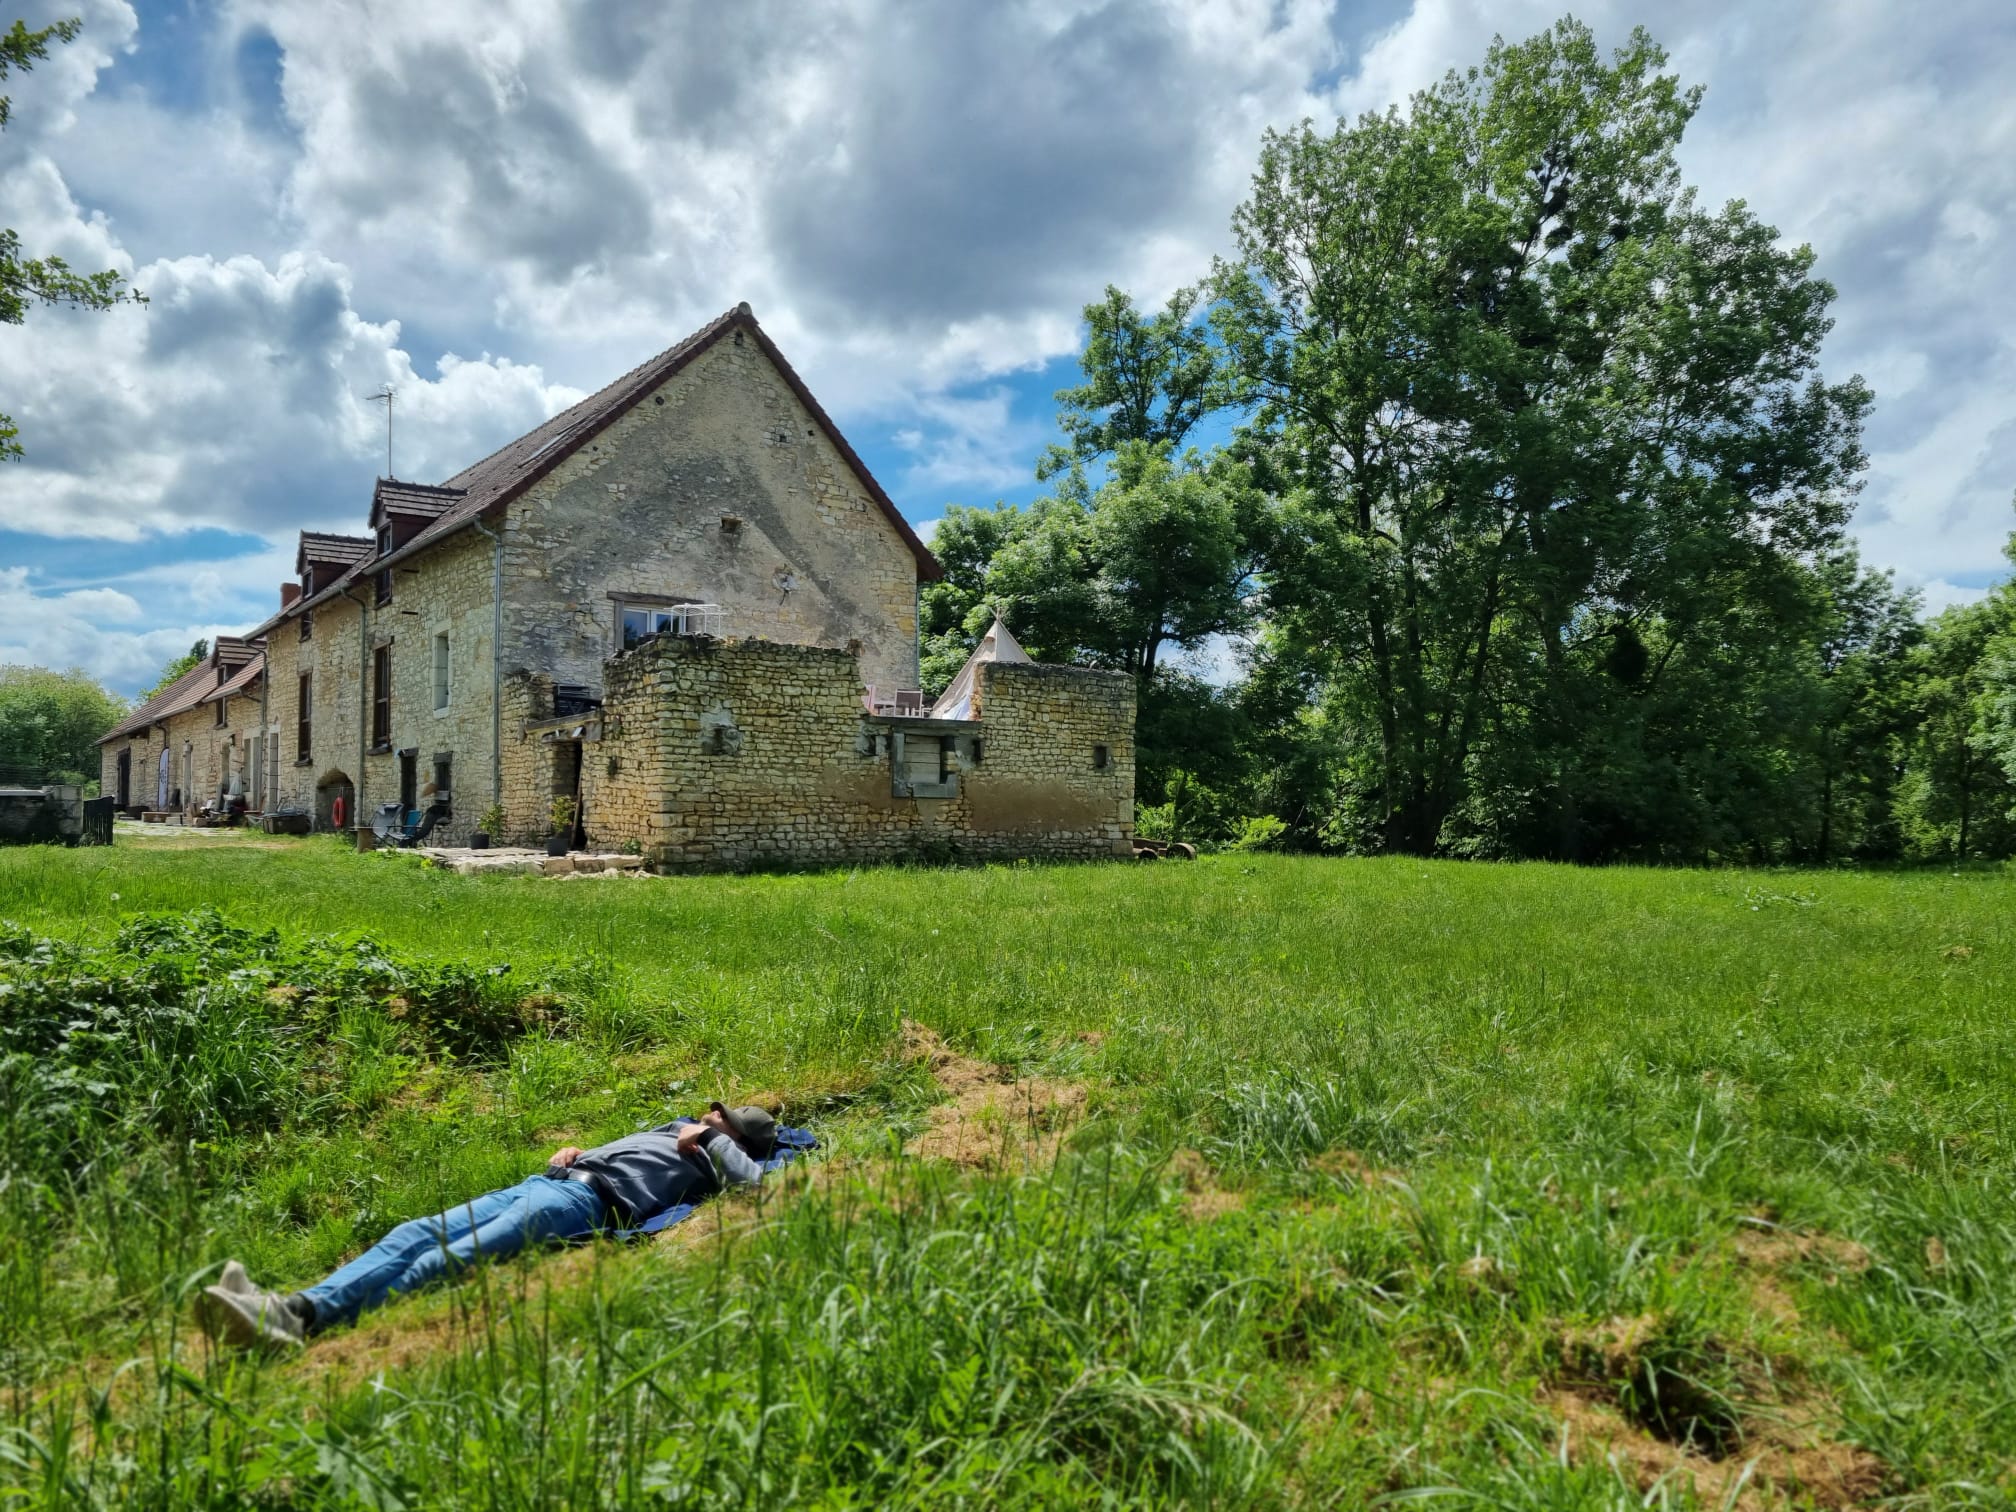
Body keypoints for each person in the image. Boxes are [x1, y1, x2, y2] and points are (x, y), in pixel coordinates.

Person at [195, 1102, 779, 1351]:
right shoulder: (675, 1128)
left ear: (730, 1134)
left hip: (581, 1209)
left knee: (440, 1263)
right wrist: (578, 1152)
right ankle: (287, 1305)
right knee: (414, 1233)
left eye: (715, 1118)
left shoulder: (717, 1157)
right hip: (546, 1184)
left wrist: (704, 1142)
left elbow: (757, 1187)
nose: (703, 1115)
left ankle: (301, 1322)